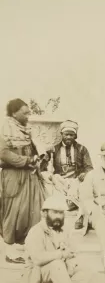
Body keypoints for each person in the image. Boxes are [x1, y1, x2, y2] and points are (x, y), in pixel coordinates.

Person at [23, 195, 92, 283]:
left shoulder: (64, 231)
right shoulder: (36, 231)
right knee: (56, 263)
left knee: (87, 268)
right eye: (55, 212)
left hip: (60, 272)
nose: (59, 217)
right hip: (37, 274)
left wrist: (70, 257)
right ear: (44, 213)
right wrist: (60, 254)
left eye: (61, 213)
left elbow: (72, 252)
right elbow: (38, 259)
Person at [0, 98, 48, 264]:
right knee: (13, 213)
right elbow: (4, 154)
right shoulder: (5, 128)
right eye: (25, 112)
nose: (29, 115)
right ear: (14, 113)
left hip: (30, 176)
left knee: (34, 211)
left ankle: (28, 248)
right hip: (14, 177)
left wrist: (40, 157)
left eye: (29, 112)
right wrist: (27, 161)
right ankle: (10, 252)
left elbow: (33, 151)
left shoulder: (27, 130)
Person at [43, 120, 93, 211]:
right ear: (61, 134)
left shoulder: (82, 149)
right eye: (66, 134)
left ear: (75, 136)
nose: (69, 137)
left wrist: (85, 173)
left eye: (71, 135)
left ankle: (71, 202)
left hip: (76, 180)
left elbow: (89, 167)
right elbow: (43, 168)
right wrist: (46, 155)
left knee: (82, 188)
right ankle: (66, 201)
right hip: (60, 181)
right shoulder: (54, 149)